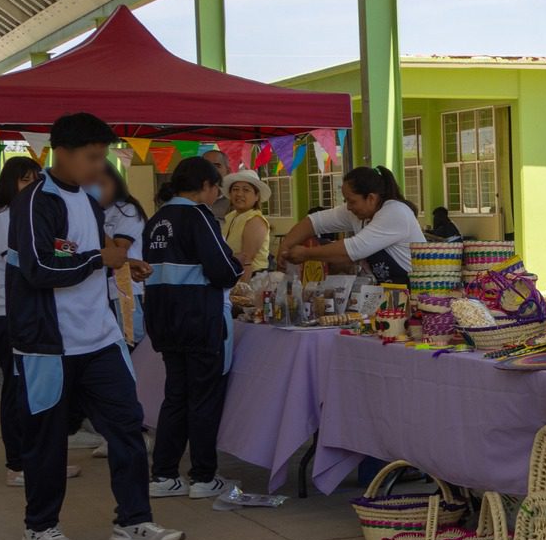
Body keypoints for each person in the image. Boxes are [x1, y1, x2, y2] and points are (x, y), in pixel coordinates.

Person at [6, 112, 182, 540]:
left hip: (99, 338)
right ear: (60, 152)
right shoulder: (33, 203)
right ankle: (40, 525)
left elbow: (91, 252)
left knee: (127, 428)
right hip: (48, 342)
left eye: (103, 157)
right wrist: (100, 260)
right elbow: (38, 268)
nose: (99, 166)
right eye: (91, 156)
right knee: (47, 438)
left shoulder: (87, 199)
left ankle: (134, 522)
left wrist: (122, 262)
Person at [143, 156, 244, 500]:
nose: (217, 193)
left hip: (164, 321)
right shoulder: (199, 216)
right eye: (216, 187)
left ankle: (164, 475)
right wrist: (235, 267)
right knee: (204, 399)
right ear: (205, 186)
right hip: (200, 320)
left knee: (176, 398)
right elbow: (223, 269)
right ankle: (203, 475)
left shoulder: (156, 220)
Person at [0, 157, 76, 487]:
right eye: (25, 180)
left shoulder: (25, 214)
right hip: (12, 314)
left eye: (37, 178)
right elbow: (40, 258)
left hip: (35, 313)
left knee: (42, 391)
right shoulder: (5, 218)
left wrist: (79, 249)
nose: (34, 185)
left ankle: (42, 460)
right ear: (9, 183)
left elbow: (54, 248)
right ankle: (19, 463)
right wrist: (81, 253)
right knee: (19, 390)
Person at [277, 166, 422, 283]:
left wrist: (306, 253)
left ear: (371, 198)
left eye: (352, 201)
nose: (348, 207)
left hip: (419, 294)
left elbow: (352, 250)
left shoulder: (394, 212)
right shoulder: (359, 213)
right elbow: (314, 222)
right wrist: (285, 246)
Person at [97, 162, 147, 348]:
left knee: (130, 342)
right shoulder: (89, 211)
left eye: (101, 184)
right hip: (97, 291)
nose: (95, 190)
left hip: (123, 291)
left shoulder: (126, 210)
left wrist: (93, 224)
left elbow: (118, 252)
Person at [220, 168, 272, 276]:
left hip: (251, 278)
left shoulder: (255, 220)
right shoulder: (230, 217)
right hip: (230, 273)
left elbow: (246, 261)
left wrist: (242, 290)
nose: (239, 194)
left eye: (246, 190)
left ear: (257, 196)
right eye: (235, 189)